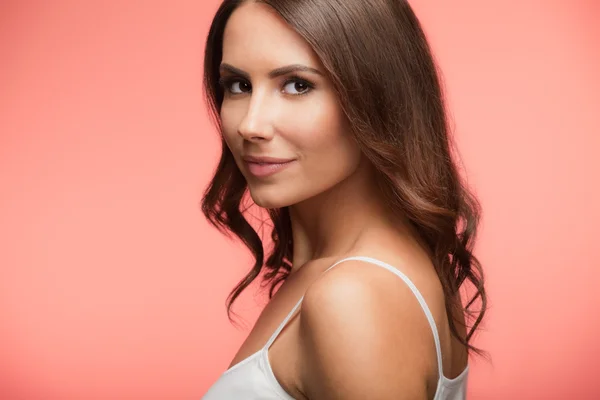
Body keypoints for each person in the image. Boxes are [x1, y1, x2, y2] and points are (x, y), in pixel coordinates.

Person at [200, 0, 487, 398]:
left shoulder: (354, 295)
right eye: (239, 85)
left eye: (297, 85)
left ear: (378, 97)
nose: (250, 125)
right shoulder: (372, 268)